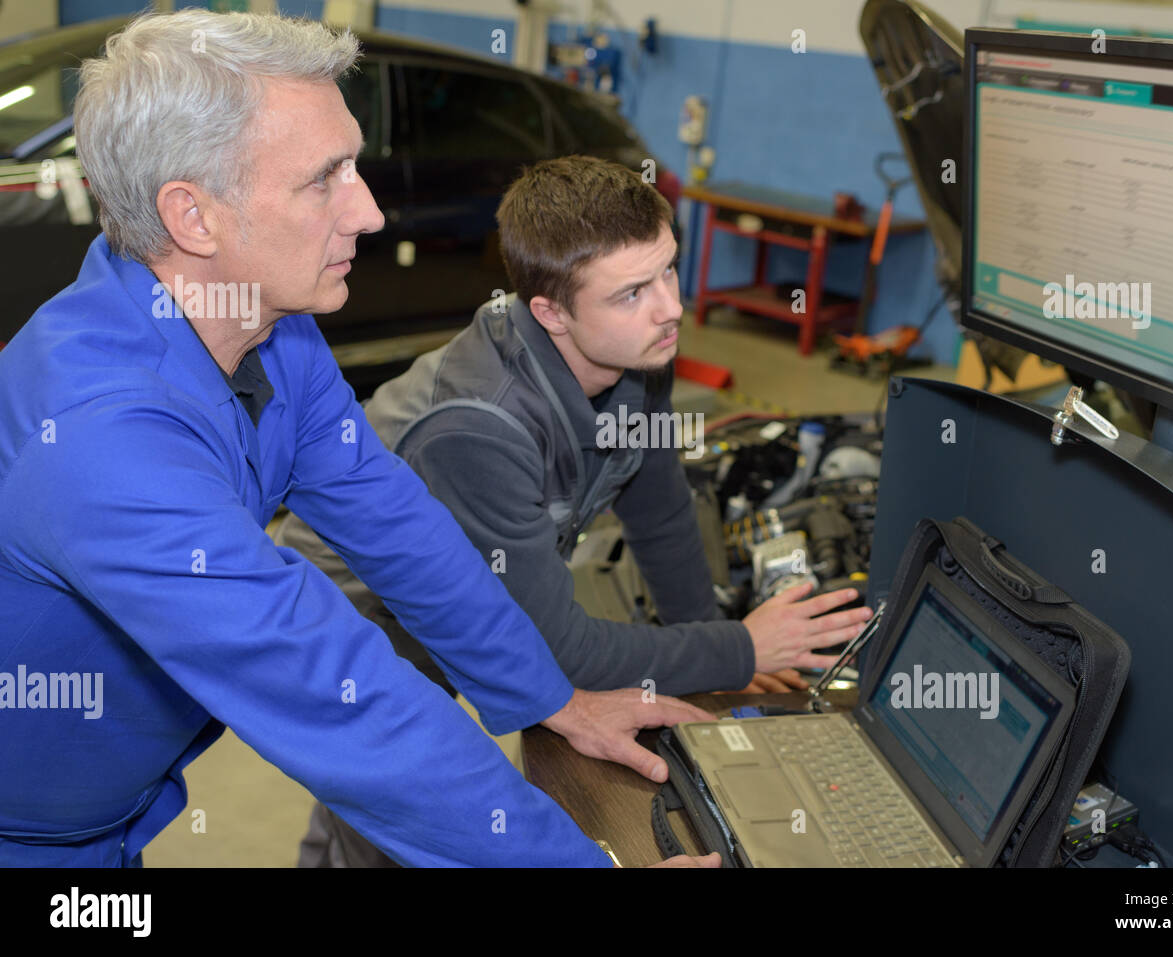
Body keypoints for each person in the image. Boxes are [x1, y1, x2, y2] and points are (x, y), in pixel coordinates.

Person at [0, 10, 718, 868]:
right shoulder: (102, 442)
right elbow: (335, 689)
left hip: (106, 817)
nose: (371, 211)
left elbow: (402, 530)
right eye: (324, 178)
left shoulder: (271, 335)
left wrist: (551, 698)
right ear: (193, 216)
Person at [277, 155, 873, 865]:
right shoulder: (481, 425)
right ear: (550, 311)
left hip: (456, 597)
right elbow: (559, 652)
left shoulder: (639, 350)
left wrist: (717, 648)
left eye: (669, 271)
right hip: (355, 622)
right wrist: (745, 645)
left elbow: (660, 510)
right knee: (401, 823)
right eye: (630, 293)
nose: (670, 307)